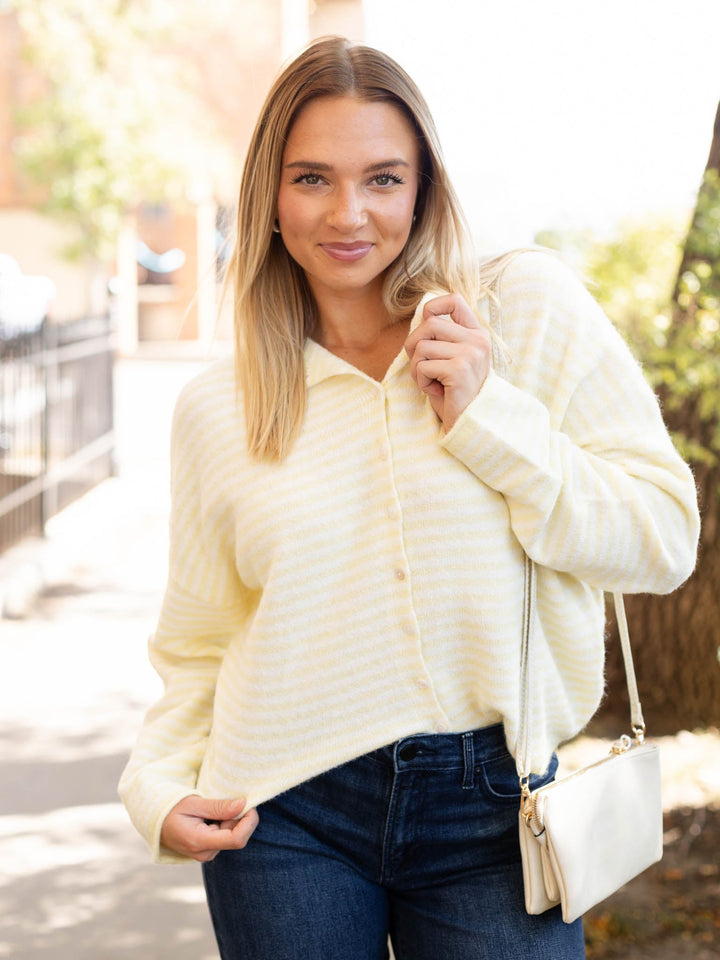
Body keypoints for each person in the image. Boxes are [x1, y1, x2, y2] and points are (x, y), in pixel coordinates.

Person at [119, 36, 700, 960]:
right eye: (311, 178)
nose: (348, 213)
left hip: (499, 815)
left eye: (383, 179)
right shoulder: (217, 408)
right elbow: (198, 640)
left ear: (425, 188)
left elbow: (664, 538)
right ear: (269, 196)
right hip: (281, 812)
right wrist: (156, 785)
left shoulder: (521, 312)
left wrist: (487, 415)